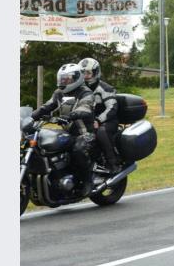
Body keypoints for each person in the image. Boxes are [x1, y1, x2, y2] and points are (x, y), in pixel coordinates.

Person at [30, 63, 96, 191]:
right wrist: (31, 117)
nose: (64, 81)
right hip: (67, 132)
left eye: (67, 78)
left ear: (77, 78)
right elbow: (47, 106)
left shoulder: (85, 92)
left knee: (78, 149)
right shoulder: (59, 92)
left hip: (84, 133)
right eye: (62, 78)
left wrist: (71, 115)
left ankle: (88, 180)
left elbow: (86, 107)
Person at [79, 57, 121, 174]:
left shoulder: (104, 88)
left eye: (88, 73)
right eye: (83, 73)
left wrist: (99, 120)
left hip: (108, 121)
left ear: (96, 73)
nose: (85, 76)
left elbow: (112, 108)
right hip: (87, 122)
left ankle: (113, 163)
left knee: (101, 132)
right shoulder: (79, 89)